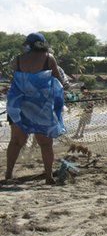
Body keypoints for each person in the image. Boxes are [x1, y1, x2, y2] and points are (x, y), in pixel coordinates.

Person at [5, 33, 66, 184]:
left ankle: (8, 174)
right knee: (45, 144)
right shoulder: (48, 58)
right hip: (41, 107)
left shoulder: (17, 60)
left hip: (18, 105)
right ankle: (48, 177)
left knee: (16, 142)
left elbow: (16, 81)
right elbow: (58, 79)